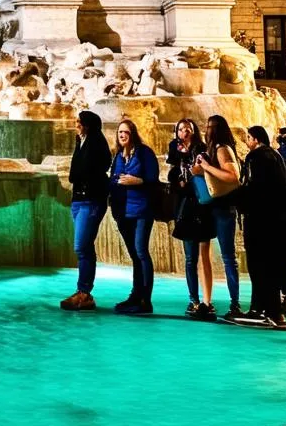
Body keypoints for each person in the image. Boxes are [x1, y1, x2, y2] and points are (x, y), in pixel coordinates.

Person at [235, 125, 286, 330]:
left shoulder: (255, 158)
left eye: (249, 138)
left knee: (259, 266)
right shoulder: (277, 157)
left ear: (256, 139)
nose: (247, 142)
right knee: (273, 266)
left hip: (259, 219)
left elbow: (251, 188)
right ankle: (259, 308)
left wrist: (237, 201)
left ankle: (272, 313)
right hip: (279, 220)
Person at [192, 115, 243, 322]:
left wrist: (206, 166)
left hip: (222, 208)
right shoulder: (212, 149)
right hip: (210, 208)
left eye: (212, 127)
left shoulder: (222, 149)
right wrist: (197, 167)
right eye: (207, 126)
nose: (208, 130)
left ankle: (235, 303)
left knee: (228, 256)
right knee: (205, 254)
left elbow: (233, 176)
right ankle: (206, 302)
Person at [61, 110, 112, 312]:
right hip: (79, 200)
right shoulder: (80, 142)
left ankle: (84, 292)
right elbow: (75, 173)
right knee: (84, 247)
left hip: (91, 200)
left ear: (88, 125)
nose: (76, 124)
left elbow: (89, 170)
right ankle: (84, 293)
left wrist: (82, 177)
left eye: (79, 122)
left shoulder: (97, 144)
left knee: (81, 246)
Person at [166, 118, 215, 320]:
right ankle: (193, 299)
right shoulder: (174, 149)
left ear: (194, 131)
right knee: (189, 258)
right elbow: (171, 173)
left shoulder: (201, 149)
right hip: (185, 205)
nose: (184, 132)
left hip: (202, 205)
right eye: (180, 129)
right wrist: (178, 180)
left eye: (188, 129)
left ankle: (206, 301)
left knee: (203, 254)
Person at [109, 119, 159, 315]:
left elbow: (153, 179)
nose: (122, 135)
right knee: (134, 255)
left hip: (142, 210)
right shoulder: (118, 156)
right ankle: (135, 295)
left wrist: (136, 181)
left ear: (133, 134)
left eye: (126, 132)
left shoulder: (144, 153)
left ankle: (146, 299)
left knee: (141, 252)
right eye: (120, 132)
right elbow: (113, 178)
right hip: (123, 211)